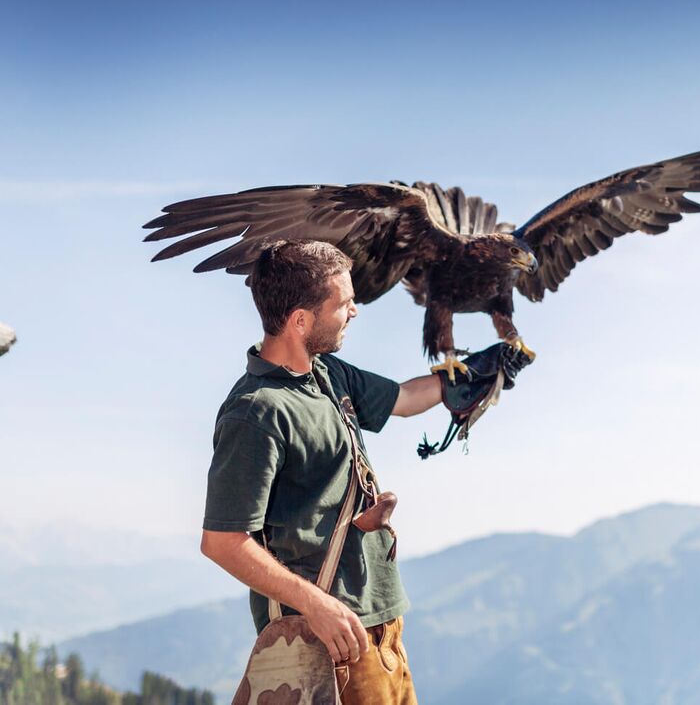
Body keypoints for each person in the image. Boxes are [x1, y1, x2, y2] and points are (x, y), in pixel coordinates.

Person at [199, 240, 527, 704]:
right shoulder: (256, 412)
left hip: (383, 625)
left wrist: (475, 372)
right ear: (300, 320)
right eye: (344, 304)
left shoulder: (327, 373)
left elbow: (405, 399)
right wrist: (316, 605)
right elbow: (222, 541)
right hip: (327, 640)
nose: (354, 311)